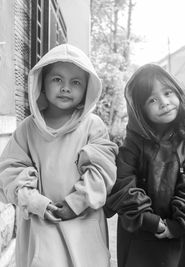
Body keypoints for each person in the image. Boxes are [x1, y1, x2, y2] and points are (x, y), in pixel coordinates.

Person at [0, 43, 118, 267]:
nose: (66, 88)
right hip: (41, 224)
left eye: (76, 82)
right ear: (41, 82)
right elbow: (9, 171)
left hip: (83, 222)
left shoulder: (94, 126)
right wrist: (35, 202)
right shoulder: (27, 129)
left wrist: (76, 202)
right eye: (57, 79)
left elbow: (103, 171)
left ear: (87, 89)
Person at [105, 64, 185, 267]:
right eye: (152, 99)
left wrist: (176, 226)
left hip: (181, 236)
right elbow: (123, 184)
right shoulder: (131, 145)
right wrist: (151, 222)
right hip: (141, 237)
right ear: (140, 109)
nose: (164, 103)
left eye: (168, 93)